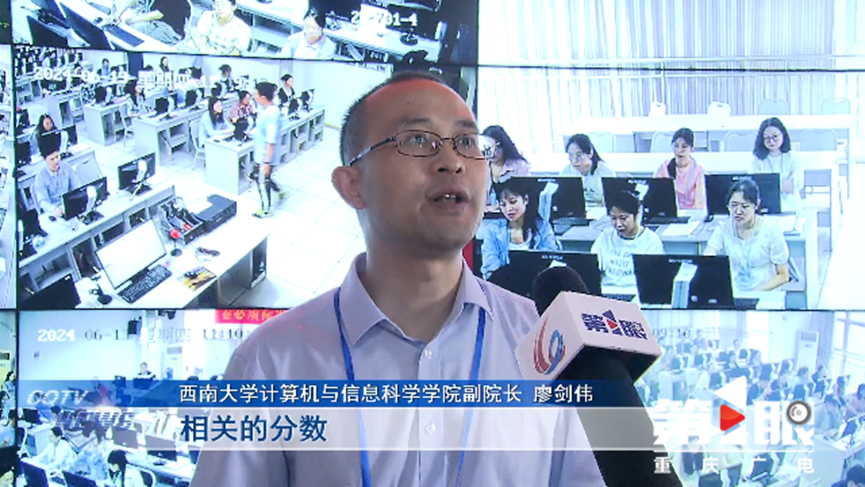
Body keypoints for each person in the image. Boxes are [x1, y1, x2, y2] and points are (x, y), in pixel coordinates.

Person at [189, 71, 604, 486]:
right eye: (418, 140)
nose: (453, 161)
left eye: (466, 142)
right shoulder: (270, 361)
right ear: (352, 185)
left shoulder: (545, 342)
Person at [704, 178, 790, 291]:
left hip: (765, 291)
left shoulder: (771, 230)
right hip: (734, 292)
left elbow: (783, 276)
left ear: (756, 205)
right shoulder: (723, 228)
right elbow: (709, 255)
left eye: (744, 206)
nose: (738, 211)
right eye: (734, 205)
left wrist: (755, 293)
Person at [480, 177, 560, 278]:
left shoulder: (543, 228)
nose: (508, 209)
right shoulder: (493, 230)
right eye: (503, 205)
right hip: (503, 284)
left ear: (525, 199)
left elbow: (551, 261)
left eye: (513, 202)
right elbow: (490, 268)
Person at [590, 189, 664, 288]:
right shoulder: (606, 236)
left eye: (623, 218)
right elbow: (593, 267)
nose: (618, 224)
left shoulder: (651, 241)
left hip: (635, 291)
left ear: (637, 215)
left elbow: (652, 280)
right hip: (607, 289)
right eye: (613, 218)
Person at [751, 117, 804, 214]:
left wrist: (769, 186)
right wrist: (781, 185)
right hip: (765, 207)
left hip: (791, 207)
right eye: (767, 138)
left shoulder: (793, 157)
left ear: (783, 134)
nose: (771, 141)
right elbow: (755, 186)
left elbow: (796, 184)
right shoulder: (757, 159)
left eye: (775, 136)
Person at [248, 82, 286, 217]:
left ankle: (265, 210)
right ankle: (279, 190)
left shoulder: (270, 114)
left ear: (263, 97)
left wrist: (266, 163)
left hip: (265, 156)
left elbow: (271, 141)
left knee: (262, 182)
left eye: (256, 94)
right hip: (263, 154)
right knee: (264, 178)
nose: (254, 97)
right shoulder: (269, 110)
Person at [654, 128, 706, 210]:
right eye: (676, 146)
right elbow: (655, 196)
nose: (679, 150)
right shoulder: (664, 168)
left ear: (692, 148)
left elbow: (700, 203)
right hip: (669, 213)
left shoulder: (698, 170)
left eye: (684, 146)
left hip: (692, 214)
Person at [559, 133, 616, 206]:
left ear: (590, 153)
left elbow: (612, 202)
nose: (574, 160)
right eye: (571, 155)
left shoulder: (606, 172)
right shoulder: (567, 171)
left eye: (579, 155)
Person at [481, 125, 530, 210]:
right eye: (488, 147)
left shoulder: (519, 166)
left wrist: (500, 207)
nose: (493, 152)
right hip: (487, 215)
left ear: (505, 146)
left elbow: (527, 197)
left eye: (497, 147)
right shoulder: (480, 167)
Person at [33, 133, 81, 218]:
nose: (56, 161)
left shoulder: (66, 167)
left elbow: (77, 187)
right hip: (54, 212)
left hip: (69, 206)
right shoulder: (40, 177)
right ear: (45, 160)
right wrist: (53, 209)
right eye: (52, 159)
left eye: (57, 157)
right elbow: (42, 201)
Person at [107, 0, 191, 46]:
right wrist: (117, 14)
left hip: (171, 31)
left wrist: (133, 20)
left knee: (139, 41)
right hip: (155, 23)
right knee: (130, 31)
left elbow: (159, 14)